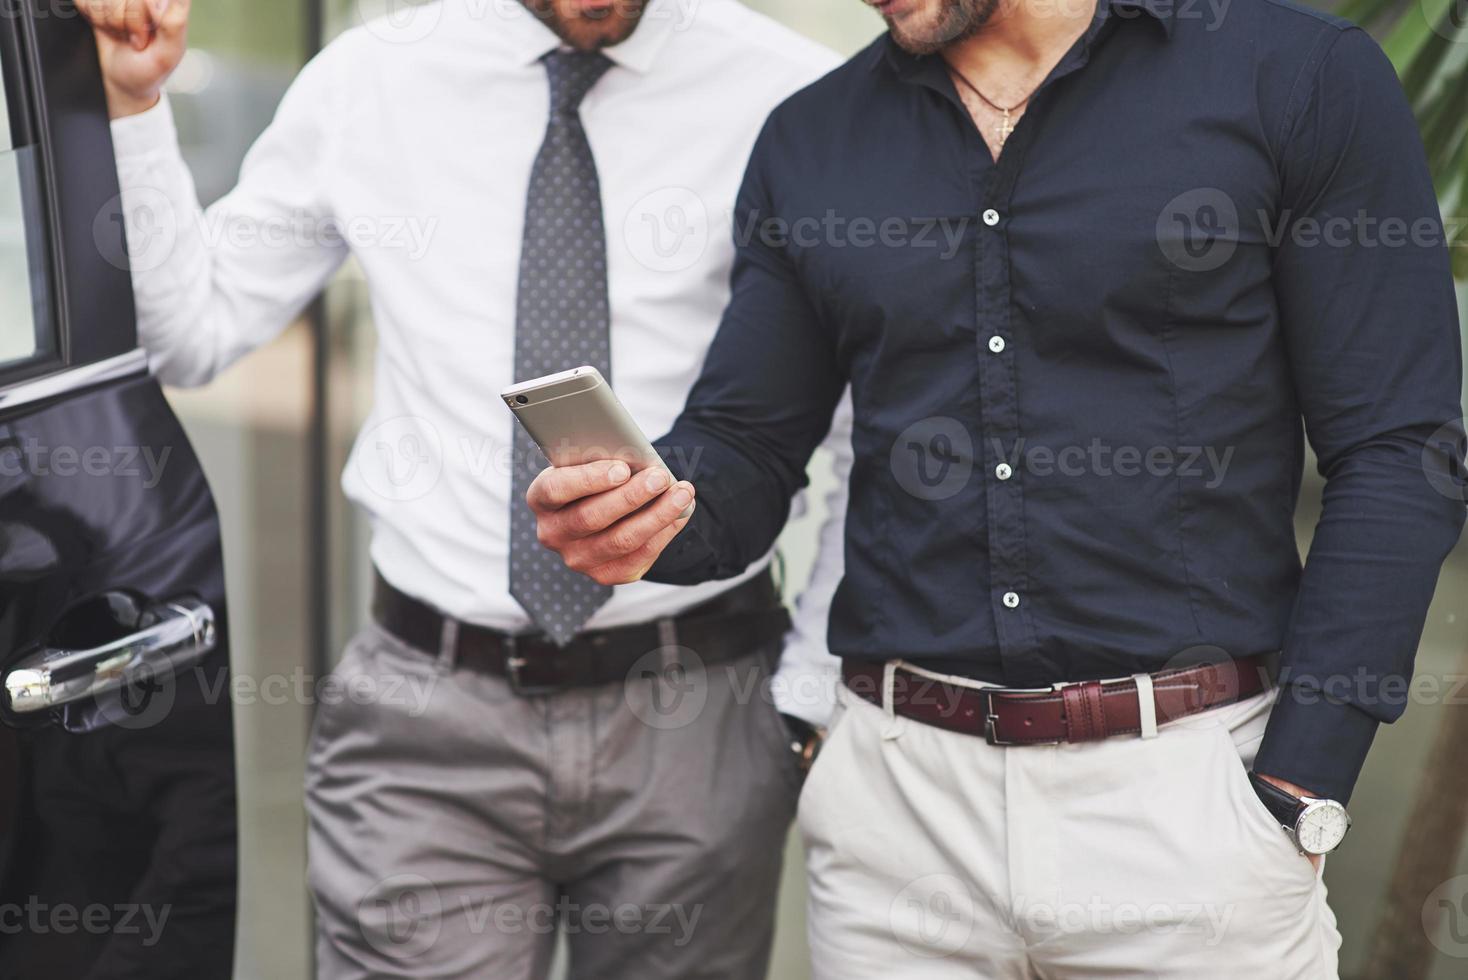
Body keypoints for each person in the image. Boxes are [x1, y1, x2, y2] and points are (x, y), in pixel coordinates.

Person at [528, 0, 1468, 975]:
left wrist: (1298, 777)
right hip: (897, 835)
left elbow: (1398, 447)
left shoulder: (1296, 77)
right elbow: (745, 450)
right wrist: (646, 510)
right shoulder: (813, 141)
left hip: (1193, 813)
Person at [79, 0, 849, 976]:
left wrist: (804, 699)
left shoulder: (790, 94)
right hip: (425, 720)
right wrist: (135, 111)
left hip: (698, 710)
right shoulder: (372, 81)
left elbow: (874, 423)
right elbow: (191, 332)